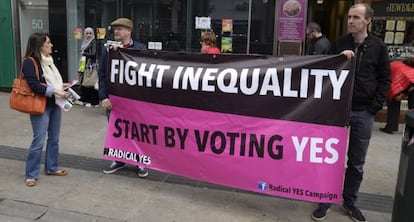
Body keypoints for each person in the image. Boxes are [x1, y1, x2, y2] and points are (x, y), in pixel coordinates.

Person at [311, 3, 390, 222]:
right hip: (337, 112)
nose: (351, 21)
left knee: (356, 162)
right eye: (349, 17)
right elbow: (322, 70)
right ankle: (325, 199)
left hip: (363, 112)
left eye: (356, 17)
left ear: (368, 21)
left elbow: (385, 79)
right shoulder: (339, 43)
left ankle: (350, 201)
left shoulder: (379, 47)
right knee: (329, 159)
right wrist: (338, 58)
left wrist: (374, 107)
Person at [98, 18, 149, 178]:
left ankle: (140, 161)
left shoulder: (140, 48)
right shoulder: (109, 49)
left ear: (129, 31)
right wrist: (103, 97)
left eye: (120, 29)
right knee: (117, 131)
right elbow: (102, 75)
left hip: (134, 101)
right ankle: (118, 160)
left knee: (137, 131)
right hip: (114, 100)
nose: (116, 32)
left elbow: (146, 74)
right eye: (115, 29)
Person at [23, 32, 70, 187]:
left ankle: (51, 167)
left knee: (54, 138)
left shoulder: (49, 61)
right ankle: (31, 174)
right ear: (39, 46)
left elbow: (50, 81)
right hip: (40, 105)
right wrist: (55, 91)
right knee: (39, 140)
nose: (51, 45)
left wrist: (61, 86)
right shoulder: (30, 62)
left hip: (55, 104)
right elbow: (34, 85)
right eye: (48, 43)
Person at [380, 57, 414, 134]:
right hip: (409, 82)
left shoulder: (389, 67)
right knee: (413, 108)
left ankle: (391, 127)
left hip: (407, 82)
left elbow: (394, 84)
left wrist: (399, 94)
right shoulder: (399, 65)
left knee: (393, 104)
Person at [78, 27, 99, 107]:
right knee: (86, 82)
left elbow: (94, 54)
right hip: (85, 64)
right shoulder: (85, 42)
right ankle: (86, 99)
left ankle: (93, 101)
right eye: (87, 33)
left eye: (90, 33)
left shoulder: (93, 42)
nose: (88, 35)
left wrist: (84, 53)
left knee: (91, 82)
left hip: (91, 65)